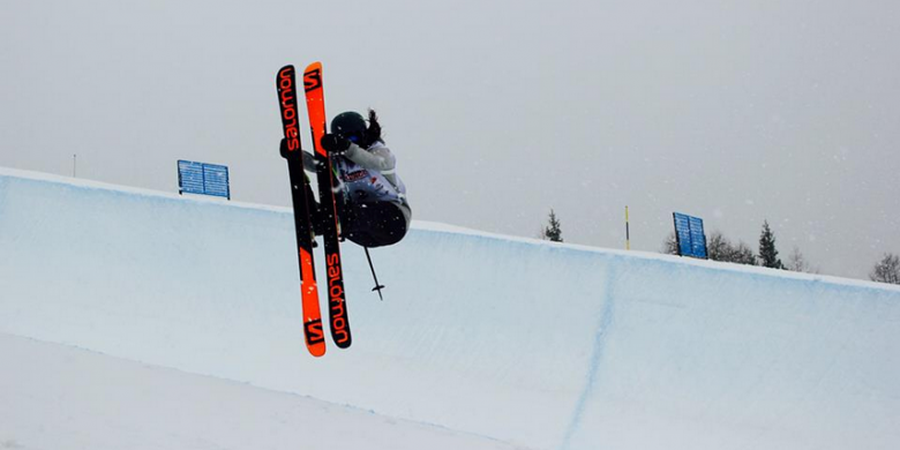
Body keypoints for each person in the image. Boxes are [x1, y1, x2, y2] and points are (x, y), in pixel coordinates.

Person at [301, 109, 411, 248]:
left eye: (354, 138)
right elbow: (316, 165)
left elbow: (376, 162)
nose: (352, 143)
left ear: (364, 135)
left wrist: (346, 146)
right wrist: (296, 155)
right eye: (346, 139)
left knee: (347, 213)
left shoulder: (379, 151)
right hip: (362, 232)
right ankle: (315, 222)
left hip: (392, 223)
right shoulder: (339, 160)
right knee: (333, 208)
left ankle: (334, 221)